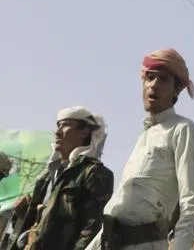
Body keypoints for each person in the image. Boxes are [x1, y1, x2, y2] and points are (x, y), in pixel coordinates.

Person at [87, 49, 194, 250]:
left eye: (163, 79)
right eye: (150, 78)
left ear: (176, 90)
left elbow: (191, 202)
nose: (154, 85)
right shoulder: (145, 135)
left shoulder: (182, 129)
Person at [2, 106, 113, 250]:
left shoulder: (94, 173)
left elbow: (92, 228)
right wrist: (23, 214)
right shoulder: (47, 176)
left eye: (65, 125)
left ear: (84, 132)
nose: (57, 132)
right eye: (58, 126)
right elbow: (36, 224)